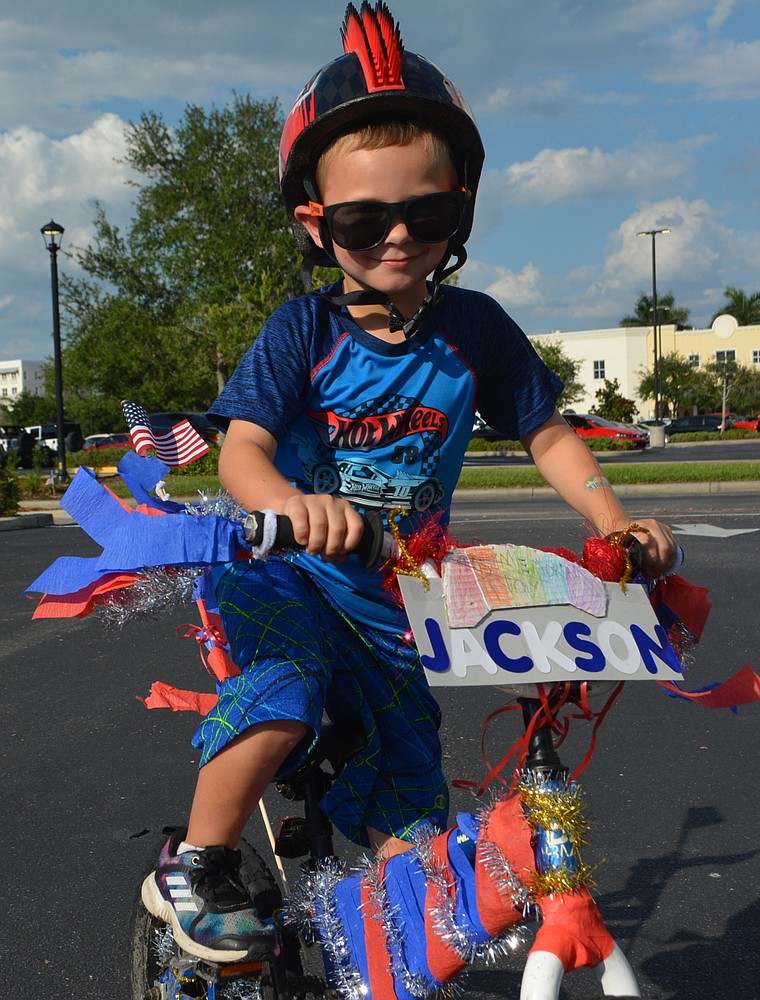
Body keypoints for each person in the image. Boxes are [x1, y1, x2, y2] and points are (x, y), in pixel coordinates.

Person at [141, 0, 678, 965]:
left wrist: (618, 518)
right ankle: (200, 861)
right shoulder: (302, 333)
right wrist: (289, 506)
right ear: (315, 221)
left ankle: (382, 948)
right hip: (286, 573)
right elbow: (238, 452)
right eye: (361, 218)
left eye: (424, 214)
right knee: (282, 695)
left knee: (413, 799)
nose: (396, 236)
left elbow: (548, 434)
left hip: (399, 594)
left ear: (459, 210)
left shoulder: (475, 329)